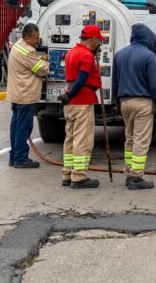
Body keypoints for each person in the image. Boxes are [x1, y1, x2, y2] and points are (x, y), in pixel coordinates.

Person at [111, 24, 156, 190]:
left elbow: (115, 82)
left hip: (124, 102)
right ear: (148, 37)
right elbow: (155, 85)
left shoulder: (119, 55)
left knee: (130, 138)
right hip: (142, 103)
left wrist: (117, 102)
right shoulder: (150, 56)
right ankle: (136, 177)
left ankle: (128, 173)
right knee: (141, 140)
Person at [59, 24, 104, 189]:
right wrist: (70, 95)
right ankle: (79, 177)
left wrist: (68, 96)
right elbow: (82, 79)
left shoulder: (72, 52)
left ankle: (67, 174)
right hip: (82, 100)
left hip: (71, 103)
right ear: (93, 39)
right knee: (82, 141)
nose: (99, 43)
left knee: (70, 139)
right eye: (98, 40)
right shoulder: (86, 55)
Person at [5, 23, 49, 169]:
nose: (38, 41)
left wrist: (38, 57)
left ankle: (14, 157)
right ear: (27, 37)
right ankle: (21, 158)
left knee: (16, 127)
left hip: (17, 94)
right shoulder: (28, 51)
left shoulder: (18, 45)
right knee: (24, 128)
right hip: (25, 95)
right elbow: (41, 70)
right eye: (35, 38)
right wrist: (46, 61)